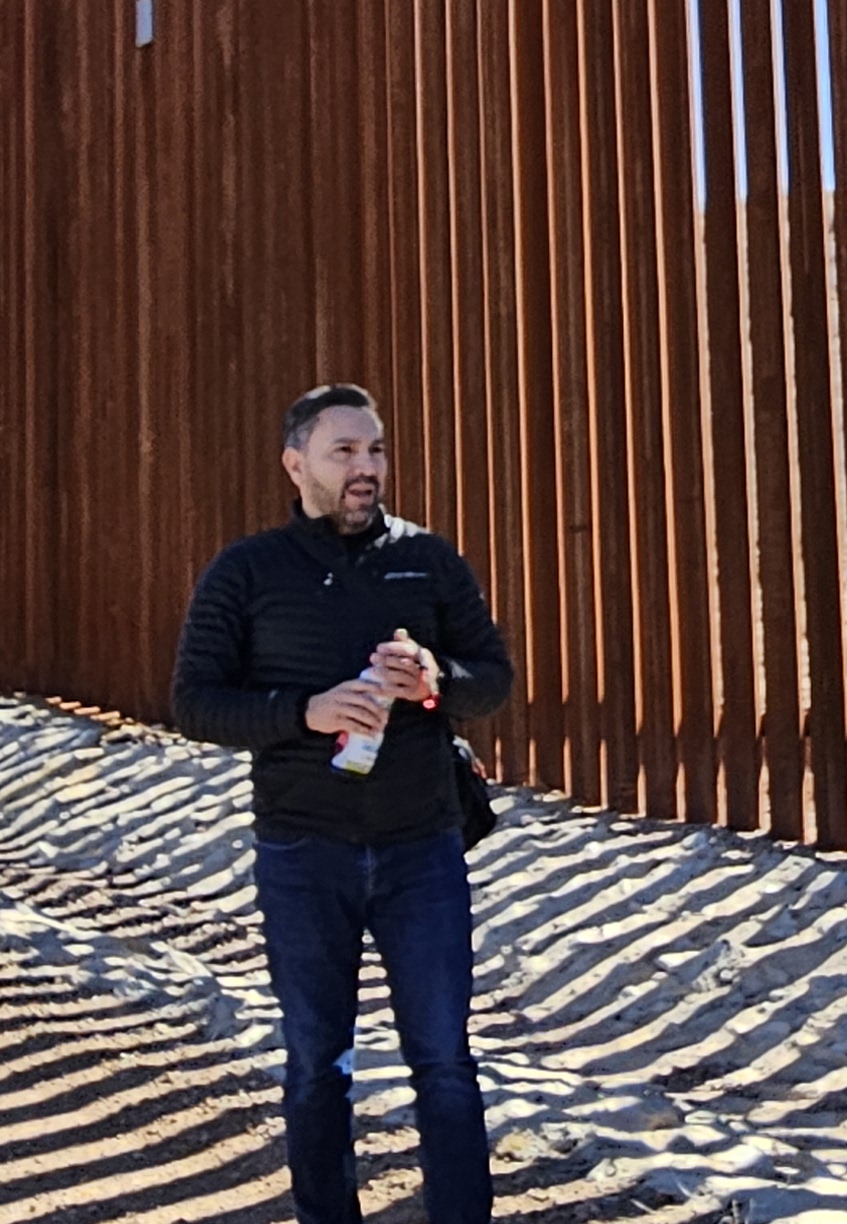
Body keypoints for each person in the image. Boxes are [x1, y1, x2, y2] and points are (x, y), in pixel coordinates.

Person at [173, 383, 513, 1224]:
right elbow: (194, 701)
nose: (367, 470)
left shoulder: (428, 560)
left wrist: (438, 683)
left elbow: (493, 680)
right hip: (303, 851)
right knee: (317, 1063)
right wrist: (304, 712)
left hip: (420, 849)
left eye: (377, 451)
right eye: (345, 452)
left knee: (444, 1061)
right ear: (296, 465)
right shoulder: (248, 571)